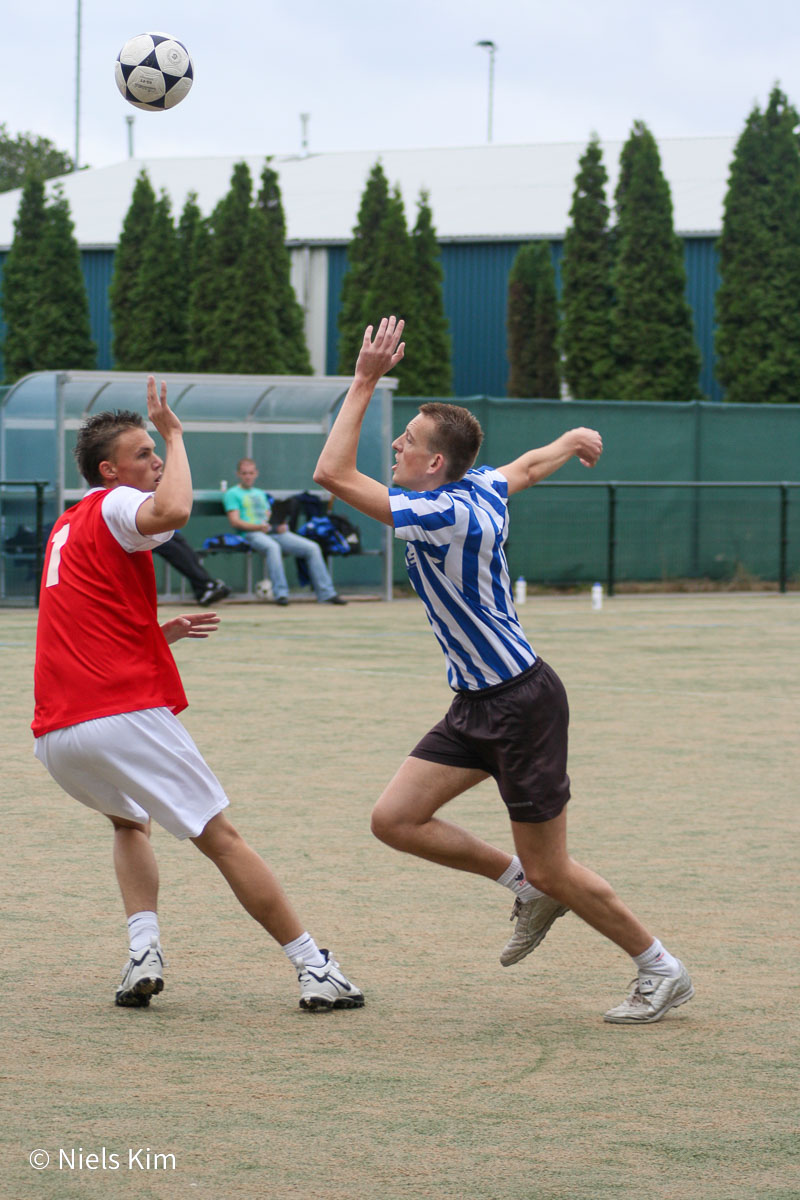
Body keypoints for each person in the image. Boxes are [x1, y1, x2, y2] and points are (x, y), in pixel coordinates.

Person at [313, 316, 693, 1025]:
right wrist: (569, 440)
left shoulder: (439, 515)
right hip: (476, 703)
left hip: (522, 706)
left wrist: (364, 381)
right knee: (395, 819)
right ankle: (525, 887)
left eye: (408, 442)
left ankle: (659, 967)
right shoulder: (477, 487)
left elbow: (331, 475)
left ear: (434, 466)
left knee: (557, 865)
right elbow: (524, 467)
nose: (396, 445)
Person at [31, 380, 363, 1013]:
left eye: (157, 449)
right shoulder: (117, 503)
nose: (155, 460)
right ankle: (313, 966)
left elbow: (84, 623)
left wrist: (158, 636)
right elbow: (175, 511)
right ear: (110, 470)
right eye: (144, 451)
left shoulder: (69, 526)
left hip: (57, 736)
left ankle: (142, 952)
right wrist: (178, 434)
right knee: (222, 839)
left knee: (130, 822)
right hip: (117, 715)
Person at [223, 458, 347, 606]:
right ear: (238, 474)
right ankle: (281, 594)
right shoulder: (232, 493)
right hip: (251, 534)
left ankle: (327, 594)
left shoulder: (260, 493)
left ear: (256, 473)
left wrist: (279, 525)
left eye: (250, 473)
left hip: (272, 531)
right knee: (273, 548)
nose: (248, 476)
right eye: (244, 473)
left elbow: (269, 516)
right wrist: (258, 528)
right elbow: (235, 521)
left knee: (312, 548)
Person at [153, 528, 231, 606]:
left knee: (184, 548)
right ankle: (206, 586)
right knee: (174, 549)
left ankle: (205, 588)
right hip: (146, 533)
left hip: (163, 530)